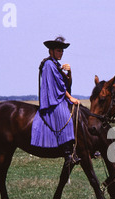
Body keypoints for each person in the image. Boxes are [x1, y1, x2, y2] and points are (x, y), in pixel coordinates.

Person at [31, 36, 81, 166]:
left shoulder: (56, 65)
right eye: (59, 50)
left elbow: (66, 83)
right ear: (51, 51)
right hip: (52, 100)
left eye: (62, 51)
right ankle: (68, 153)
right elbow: (58, 86)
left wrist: (69, 72)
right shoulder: (49, 65)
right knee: (65, 117)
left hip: (58, 97)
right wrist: (70, 97)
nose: (61, 53)